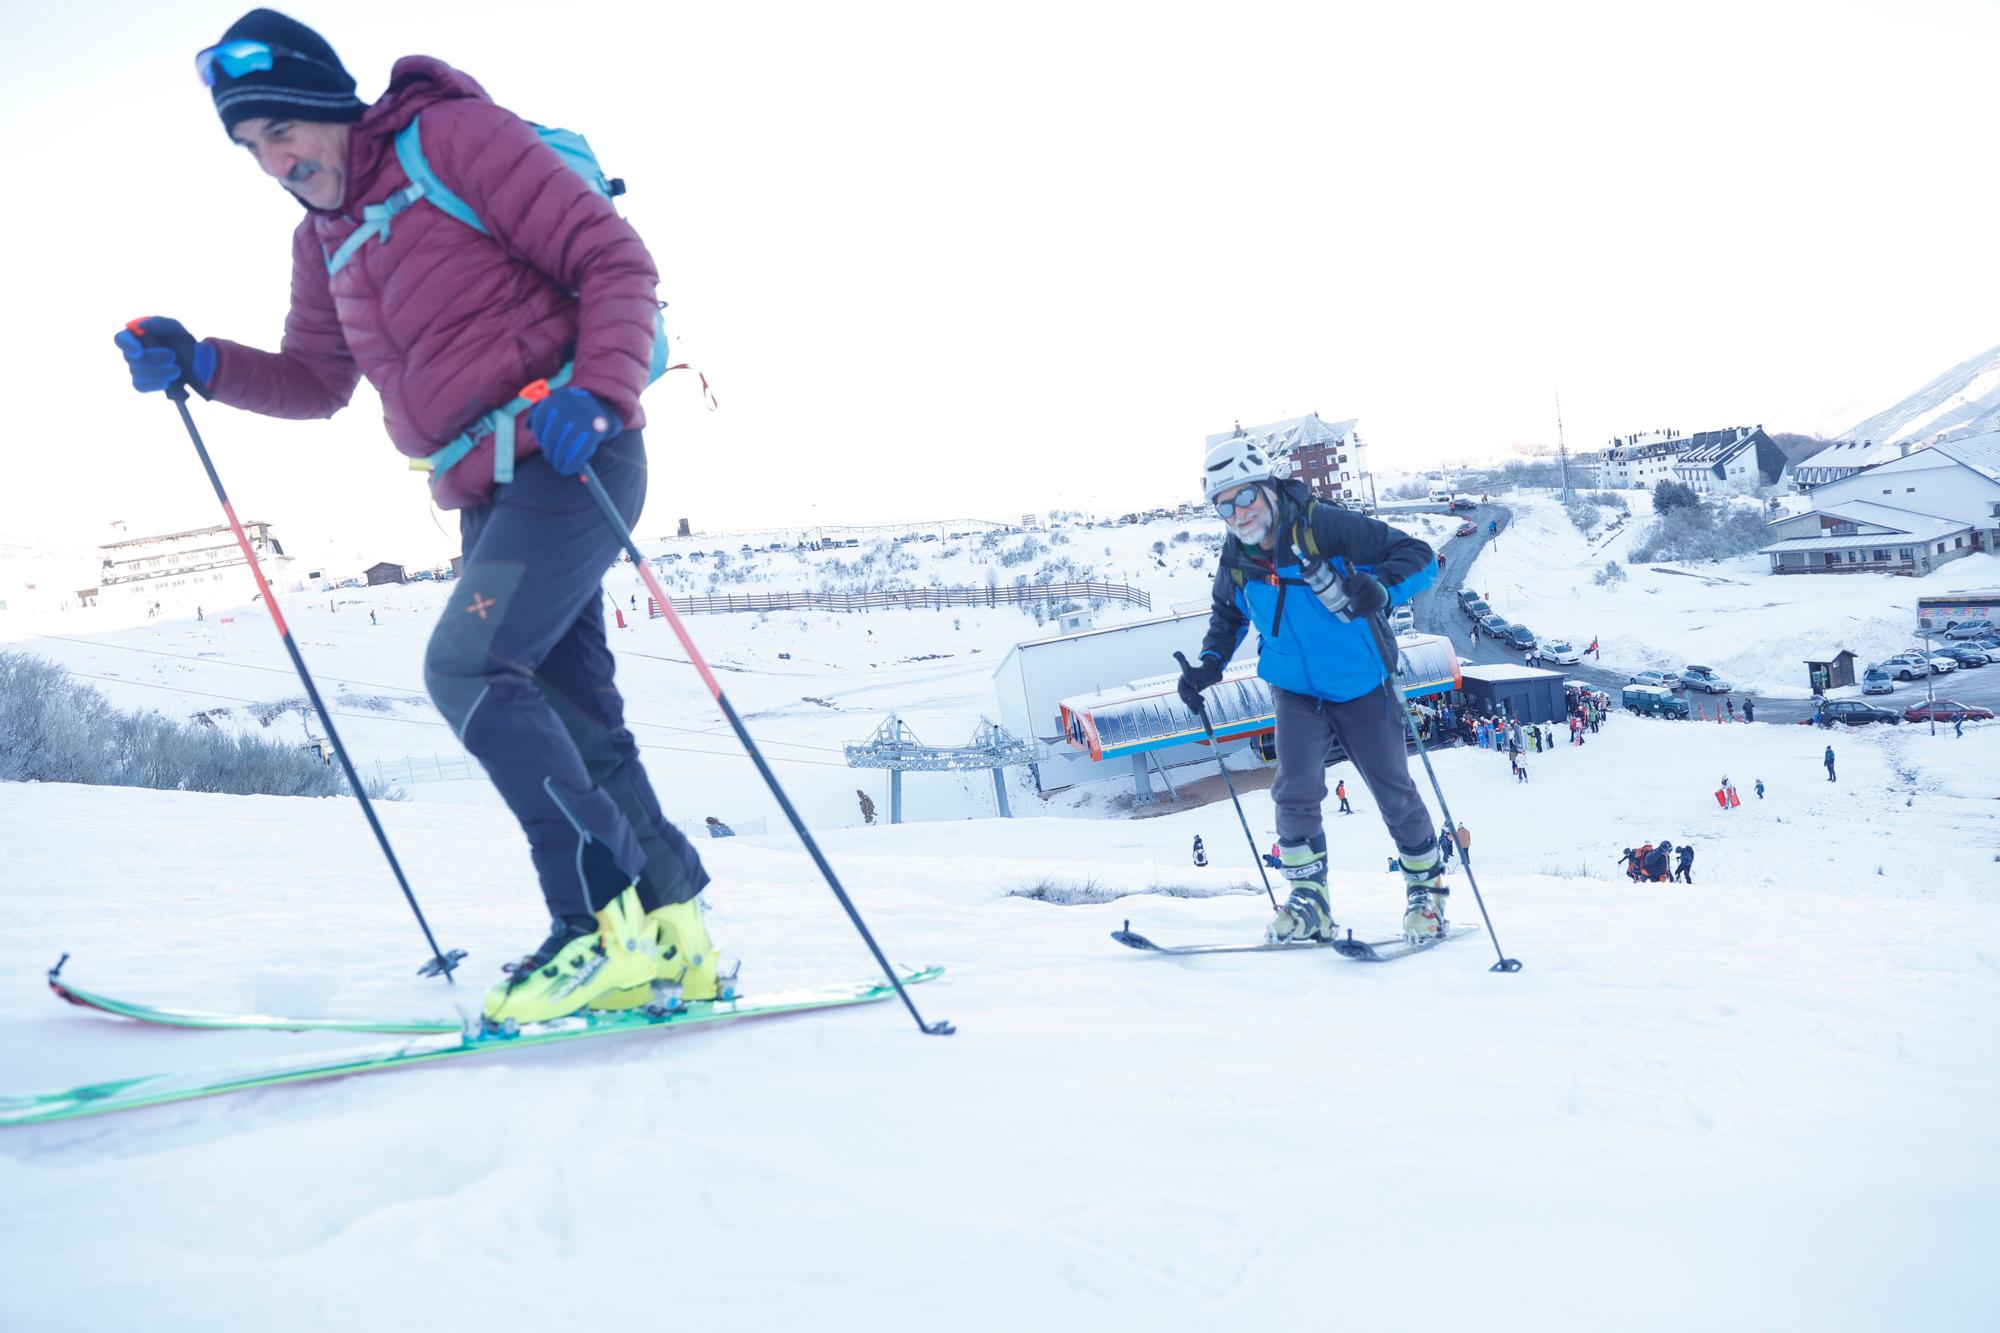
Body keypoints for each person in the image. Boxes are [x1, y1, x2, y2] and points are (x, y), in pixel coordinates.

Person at [115, 10, 713, 1026]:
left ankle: (602, 927)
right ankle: (678, 940)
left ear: (319, 104)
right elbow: (314, 379)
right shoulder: (325, 242)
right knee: (570, 712)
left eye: (279, 132)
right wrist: (203, 363)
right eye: (251, 148)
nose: (273, 162)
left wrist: (600, 393)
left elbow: (615, 261)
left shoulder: (452, 140)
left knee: (468, 663)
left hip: (571, 449)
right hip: (489, 489)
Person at [1178, 434, 1445, 943]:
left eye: (1244, 496)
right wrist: (1208, 666)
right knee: (1294, 792)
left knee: (1394, 793)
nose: (1237, 513)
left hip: (1362, 682)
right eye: (1223, 505)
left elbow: (1420, 556)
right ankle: (1310, 902)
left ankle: (1427, 895)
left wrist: (1382, 586)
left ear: (1268, 486)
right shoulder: (1237, 554)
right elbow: (1228, 615)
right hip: (1295, 690)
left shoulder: (1324, 524)